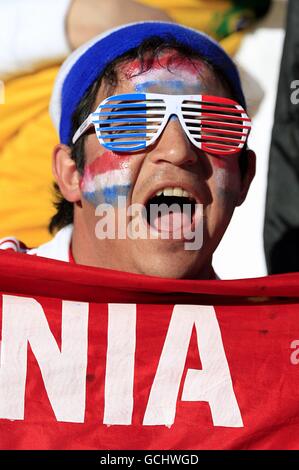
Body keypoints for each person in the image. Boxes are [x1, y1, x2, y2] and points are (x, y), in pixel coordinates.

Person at [0, 21, 256, 279]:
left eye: (211, 125)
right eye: (133, 124)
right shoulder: (8, 299)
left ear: (245, 177)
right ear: (70, 174)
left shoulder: (273, 317)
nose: (178, 150)